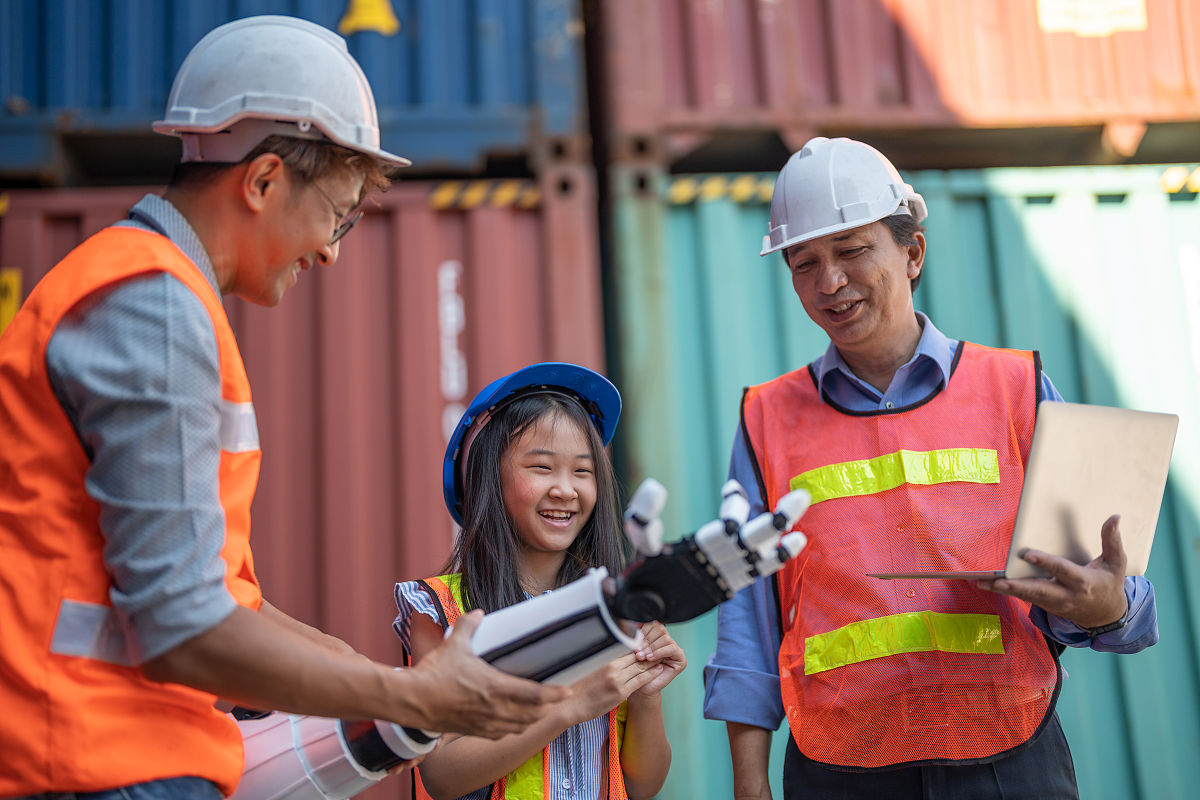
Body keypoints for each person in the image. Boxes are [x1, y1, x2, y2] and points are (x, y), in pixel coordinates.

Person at [0, 16, 568, 800]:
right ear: (264, 181)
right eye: (337, 215)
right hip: (94, 761)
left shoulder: (160, 295)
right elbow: (183, 627)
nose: (332, 250)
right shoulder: (152, 308)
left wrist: (380, 675)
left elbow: (228, 603)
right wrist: (408, 697)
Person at [701, 136, 1159, 799]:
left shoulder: (1017, 388)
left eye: (853, 251)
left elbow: (1126, 607)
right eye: (804, 263)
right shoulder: (768, 418)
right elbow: (749, 614)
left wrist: (1103, 604)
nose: (829, 282)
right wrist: (749, 781)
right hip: (837, 769)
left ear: (913, 251)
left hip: (1008, 762)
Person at [393, 362, 687, 800]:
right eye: (542, 468)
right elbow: (440, 774)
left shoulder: (616, 613)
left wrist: (646, 696)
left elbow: (642, 785)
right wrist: (569, 705)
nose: (565, 489)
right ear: (490, 477)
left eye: (582, 472)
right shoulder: (437, 609)